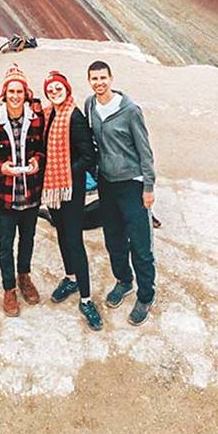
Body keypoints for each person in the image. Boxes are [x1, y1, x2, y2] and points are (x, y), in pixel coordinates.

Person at [85, 60, 156, 325]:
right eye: (94, 78)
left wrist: (148, 186)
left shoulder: (130, 111)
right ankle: (124, 281)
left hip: (131, 184)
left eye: (103, 78)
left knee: (140, 244)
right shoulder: (90, 105)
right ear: (89, 81)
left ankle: (146, 294)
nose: (99, 83)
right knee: (113, 238)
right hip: (107, 183)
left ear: (111, 79)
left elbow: (145, 151)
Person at [0, 63, 46, 317]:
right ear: (4, 94)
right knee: (5, 243)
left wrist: (37, 160)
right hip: (2, 195)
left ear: (26, 94)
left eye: (19, 92)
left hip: (30, 193)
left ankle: (23, 275)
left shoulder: (36, 120)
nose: (15, 96)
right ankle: (9, 288)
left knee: (28, 239)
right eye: (11, 92)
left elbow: (41, 148)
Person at [40, 69, 102, 331]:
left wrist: (65, 172)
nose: (55, 92)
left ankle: (86, 299)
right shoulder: (50, 113)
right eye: (50, 89)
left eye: (58, 88)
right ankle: (70, 278)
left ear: (67, 89)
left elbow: (88, 156)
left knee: (74, 241)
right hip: (55, 188)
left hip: (69, 189)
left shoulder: (73, 117)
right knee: (62, 235)